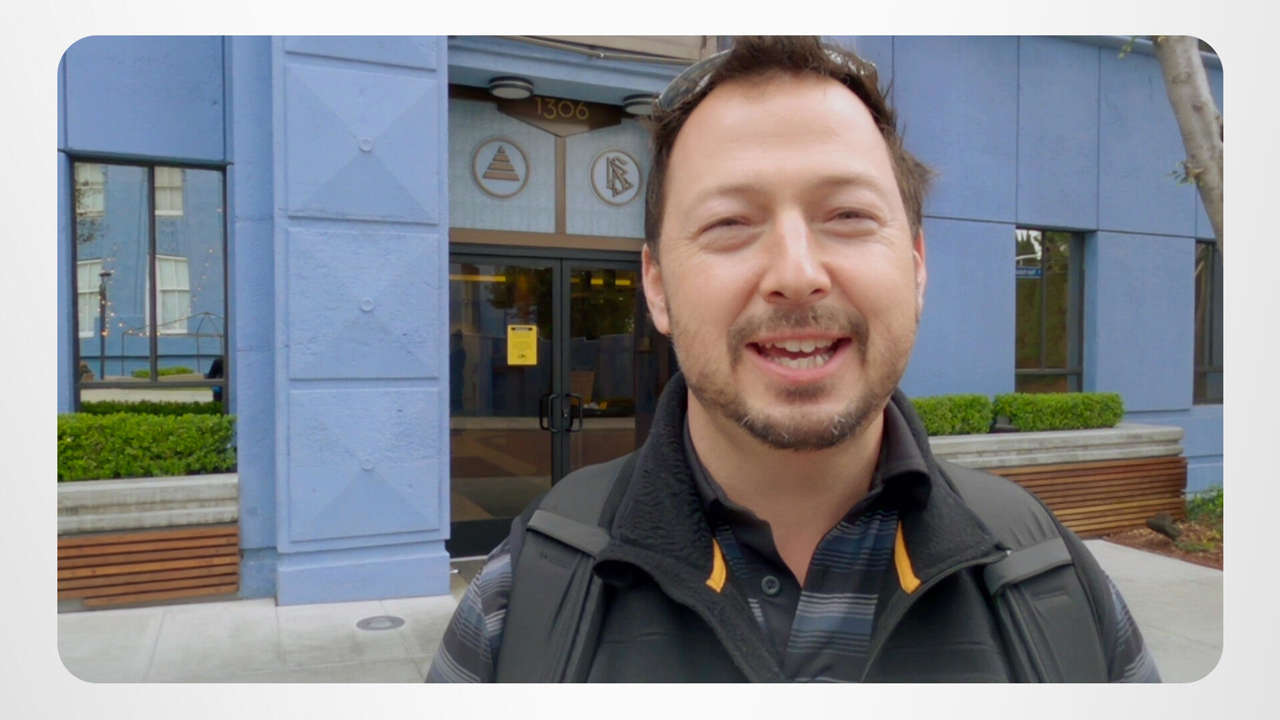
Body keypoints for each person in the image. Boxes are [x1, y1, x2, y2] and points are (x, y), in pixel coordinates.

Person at [428, 36, 1159, 683]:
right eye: (729, 222)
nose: (797, 273)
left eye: (848, 215)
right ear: (657, 286)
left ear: (916, 268)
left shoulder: (1050, 582)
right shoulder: (525, 597)